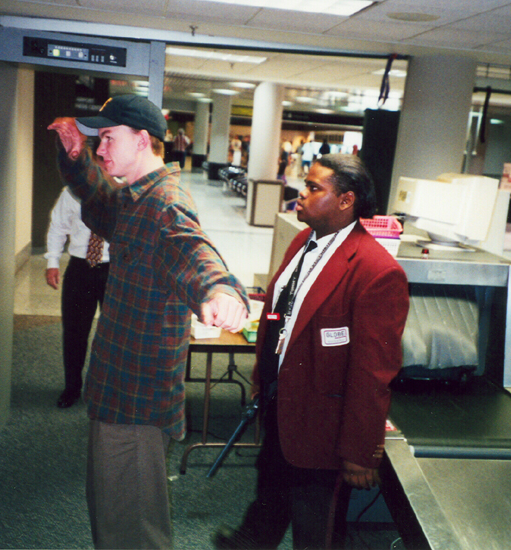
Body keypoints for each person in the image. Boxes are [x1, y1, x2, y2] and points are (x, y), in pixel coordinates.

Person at [47, 94, 249, 550]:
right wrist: (76, 156)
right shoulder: (132, 197)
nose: (102, 149)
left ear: (142, 140)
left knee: (133, 530)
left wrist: (219, 290)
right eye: (98, 140)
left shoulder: (165, 204)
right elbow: (95, 202)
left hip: (137, 401)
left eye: (108, 139)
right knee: (112, 517)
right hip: (116, 386)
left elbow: (192, 250)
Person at [213, 154, 410, 549]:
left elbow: (373, 371)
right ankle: (252, 542)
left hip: (325, 426)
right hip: (281, 405)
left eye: (313, 187)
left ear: (345, 200)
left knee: (315, 528)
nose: (300, 194)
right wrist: (261, 378)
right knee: (270, 492)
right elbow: (281, 315)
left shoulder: (376, 271)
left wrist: (360, 452)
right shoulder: (305, 241)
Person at [44, 186, 110, 409]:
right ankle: (72, 388)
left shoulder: (124, 190)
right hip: (80, 269)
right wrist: (52, 262)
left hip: (115, 270)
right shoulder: (73, 191)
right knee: (74, 333)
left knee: (115, 336)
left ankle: (109, 390)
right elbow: (58, 226)